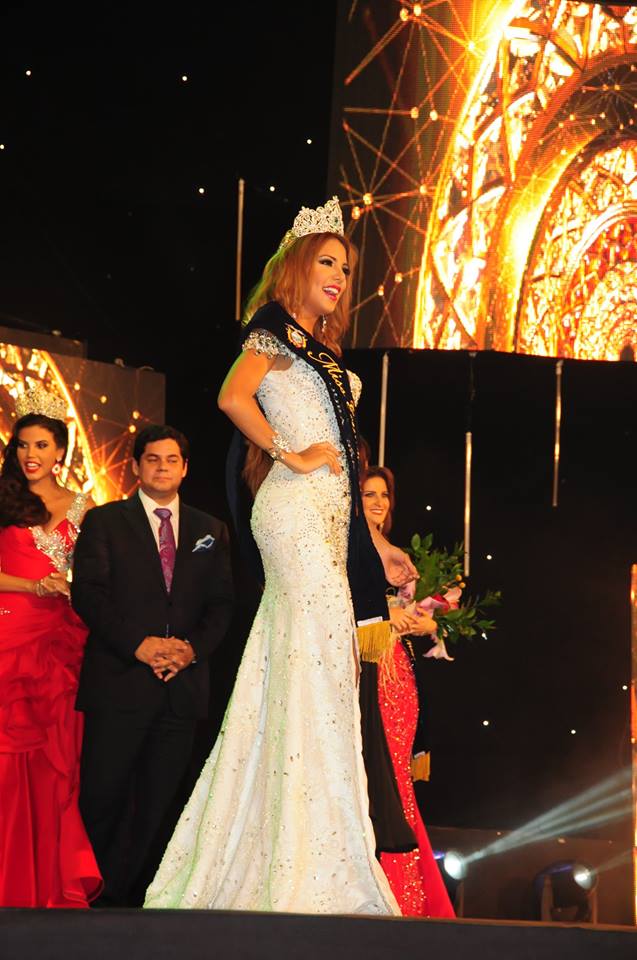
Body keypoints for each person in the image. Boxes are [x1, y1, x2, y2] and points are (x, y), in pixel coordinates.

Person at [145, 196, 417, 915]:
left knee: (311, 664)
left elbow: (348, 474)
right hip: (293, 513)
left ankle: (300, 846)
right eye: (327, 262)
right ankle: (305, 857)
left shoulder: (323, 352)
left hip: (331, 517)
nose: (339, 278)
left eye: (346, 269)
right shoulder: (274, 333)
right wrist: (289, 452)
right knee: (317, 656)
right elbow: (233, 397)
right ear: (296, 266)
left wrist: (380, 546)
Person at [71, 424, 234, 907]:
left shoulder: (210, 529)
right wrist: (137, 646)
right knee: (103, 796)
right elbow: (89, 595)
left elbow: (223, 605)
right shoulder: (104, 521)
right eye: (153, 459)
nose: (162, 468)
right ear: (136, 466)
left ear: (185, 468)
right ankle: (90, 899)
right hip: (120, 682)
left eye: (171, 460)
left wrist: (190, 650)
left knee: (159, 804)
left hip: (180, 689)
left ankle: (134, 902)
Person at [0, 385, 101, 908]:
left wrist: (71, 586)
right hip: (9, 636)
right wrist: (33, 586)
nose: (30, 455)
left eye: (41, 445)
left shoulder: (84, 507)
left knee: (53, 764)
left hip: (60, 645)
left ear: (60, 450)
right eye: (22, 445)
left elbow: (97, 576)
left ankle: (40, 883)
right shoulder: (3, 499)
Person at [361, 465, 455, 918]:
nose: (378, 502)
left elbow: (416, 615)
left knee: (397, 776)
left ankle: (406, 894)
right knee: (367, 773)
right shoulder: (345, 550)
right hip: (361, 671)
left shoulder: (399, 557)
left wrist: (425, 621)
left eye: (384, 495)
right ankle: (375, 888)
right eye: (368, 494)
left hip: (398, 676)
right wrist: (385, 616)